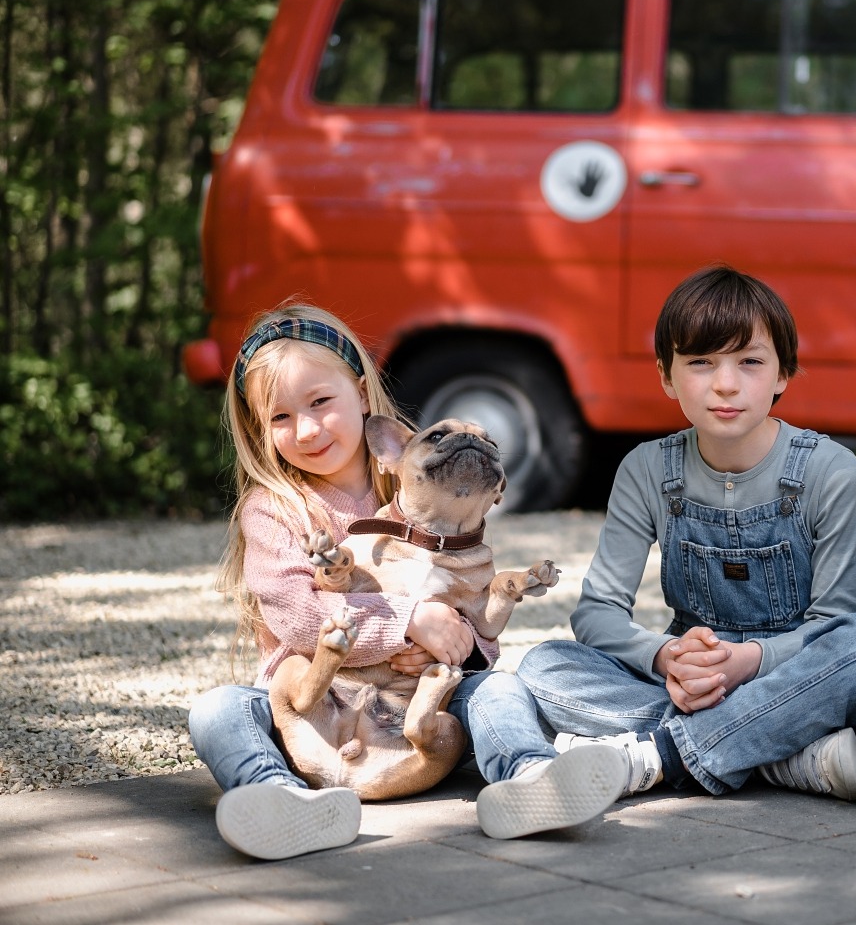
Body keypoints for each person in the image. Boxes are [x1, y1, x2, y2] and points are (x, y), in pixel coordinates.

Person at [187, 303, 626, 860]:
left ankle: (531, 776)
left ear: (364, 397)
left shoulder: (423, 479)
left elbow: (466, 616)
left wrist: (458, 652)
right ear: (260, 428)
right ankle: (279, 797)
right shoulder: (272, 510)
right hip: (310, 714)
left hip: (409, 713)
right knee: (218, 710)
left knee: (498, 687)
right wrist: (410, 622)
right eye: (279, 418)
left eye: (321, 402)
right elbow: (300, 619)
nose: (306, 429)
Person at [516, 266, 856, 801]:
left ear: (783, 373)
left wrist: (749, 662)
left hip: (791, 674)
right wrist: (666, 656)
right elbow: (597, 611)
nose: (725, 383)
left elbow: (835, 628)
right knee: (542, 665)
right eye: (700, 362)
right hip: (690, 682)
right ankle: (781, 756)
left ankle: (660, 754)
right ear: (667, 377)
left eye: (750, 362)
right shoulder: (646, 469)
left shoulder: (832, 471)